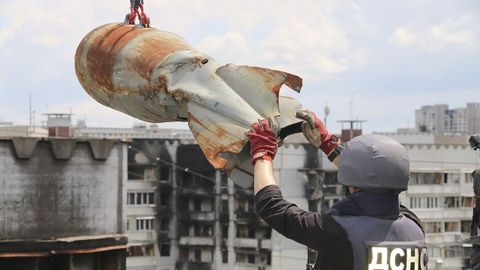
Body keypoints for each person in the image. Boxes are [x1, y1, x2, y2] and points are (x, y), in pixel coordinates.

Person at [246, 109, 428, 270]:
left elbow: (271, 206)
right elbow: (379, 185)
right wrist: (328, 144)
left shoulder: (339, 232)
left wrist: (263, 153)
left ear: (353, 183)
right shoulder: (413, 227)